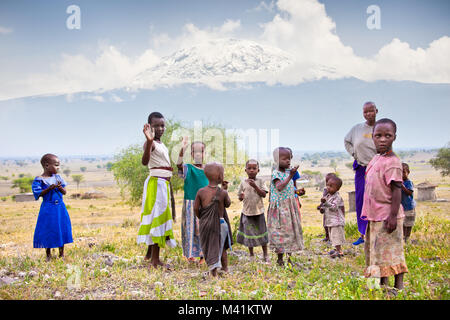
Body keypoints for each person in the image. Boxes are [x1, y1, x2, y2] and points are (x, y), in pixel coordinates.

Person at [362, 118, 408, 291]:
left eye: (387, 135)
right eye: (378, 135)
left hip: (388, 215)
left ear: (394, 137)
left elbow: (397, 190)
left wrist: (393, 216)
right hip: (375, 215)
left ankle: (399, 286)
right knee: (378, 252)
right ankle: (381, 285)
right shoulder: (376, 158)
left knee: (393, 252)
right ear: (372, 137)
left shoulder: (393, 162)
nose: (382, 139)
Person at [137, 112, 176, 270]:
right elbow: (145, 161)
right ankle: (154, 260)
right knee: (156, 219)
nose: (160, 128)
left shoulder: (161, 144)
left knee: (160, 219)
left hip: (163, 184)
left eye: (162, 125)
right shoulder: (150, 143)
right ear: (149, 127)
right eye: (156, 126)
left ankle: (153, 256)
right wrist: (149, 140)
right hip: (156, 184)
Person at [344, 101, 378, 245]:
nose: (368, 114)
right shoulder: (357, 129)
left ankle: (377, 233)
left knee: (377, 199)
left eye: (371, 111)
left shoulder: (381, 127)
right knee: (361, 201)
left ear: (376, 110)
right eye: (365, 112)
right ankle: (362, 234)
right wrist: (354, 154)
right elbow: (347, 141)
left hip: (377, 169)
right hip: (361, 168)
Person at [194, 162, 233, 277]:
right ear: (220, 177)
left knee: (210, 247)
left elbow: (196, 208)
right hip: (220, 224)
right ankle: (225, 269)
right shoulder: (223, 193)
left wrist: (202, 217)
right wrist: (224, 190)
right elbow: (228, 204)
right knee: (222, 248)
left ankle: (213, 272)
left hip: (206, 224)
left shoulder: (201, 192)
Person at [32, 154, 73, 261]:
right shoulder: (39, 180)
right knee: (48, 229)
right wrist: (49, 189)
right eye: (56, 165)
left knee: (61, 227)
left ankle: (61, 254)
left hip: (60, 207)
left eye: (59, 165)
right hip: (48, 208)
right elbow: (38, 194)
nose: (58, 168)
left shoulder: (58, 178)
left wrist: (59, 187)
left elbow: (64, 192)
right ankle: (48, 254)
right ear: (46, 165)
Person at [267, 147, 304, 266]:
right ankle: (280, 258)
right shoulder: (276, 173)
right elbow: (279, 187)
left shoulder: (288, 172)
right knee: (281, 232)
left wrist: (298, 192)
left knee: (290, 232)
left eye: (289, 158)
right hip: (280, 209)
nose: (288, 161)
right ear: (276, 160)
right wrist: (290, 176)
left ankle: (289, 258)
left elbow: (289, 190)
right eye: (284, 159)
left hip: (289, 207)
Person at [177, 137, 208, 263]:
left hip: (205, 204)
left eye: (201, 151)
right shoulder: (188, 168)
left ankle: (203, 255)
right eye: (195, 152)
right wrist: (182, 148)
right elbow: (178, 164)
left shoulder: (208, 169)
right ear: (191, 154)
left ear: (205, 153)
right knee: (190, 229)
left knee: (203, 229)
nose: (198, 154)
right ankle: (190, 255)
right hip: (190, 203)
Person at [237, 159, 269, 262]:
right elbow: (240, 197)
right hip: (247, 213)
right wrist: (241, 197)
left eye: (254, 168)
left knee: (262, 233)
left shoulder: (261, 181)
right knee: (249, 234)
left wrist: (255, 186)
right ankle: (251, 254)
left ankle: (265, 254)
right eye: (249, 168)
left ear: (258, 170)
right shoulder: (243, 183)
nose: (251, 170)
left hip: (258, 212)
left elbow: (263, 194)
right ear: (245, 170)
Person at [320, 176, 345, 258]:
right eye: (327, 185)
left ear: (337, 189)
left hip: (336, 221)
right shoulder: (328, 196)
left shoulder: (337, 197)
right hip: (330, 221)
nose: (328, 188)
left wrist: (326, 203)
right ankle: (336, 249)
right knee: (332, 236)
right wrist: (322, 208)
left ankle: (339, 251)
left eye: (331, 186)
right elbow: (326, 206)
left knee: (336, 236)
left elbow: (334, 207)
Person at [317, 173, 337, 242]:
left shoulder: (335, 192)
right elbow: (323, 199)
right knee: (325, 224)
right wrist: (320, 205)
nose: (328, 185)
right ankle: (327, 237)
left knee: (332, 225)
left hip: (332, 210)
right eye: (327, 183)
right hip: (326, 210)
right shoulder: (326, 190)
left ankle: (332, 238)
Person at [401, 163, 416, 243]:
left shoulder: (408, 182)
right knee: (403, 223)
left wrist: (402, 186)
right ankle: (403, 237)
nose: (401, 174)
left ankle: (407, 237)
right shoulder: (399, 182)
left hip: (409, 207)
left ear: (408, 172)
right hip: (402, 207)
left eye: (403, 172)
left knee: (409, 223)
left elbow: (409, 193)